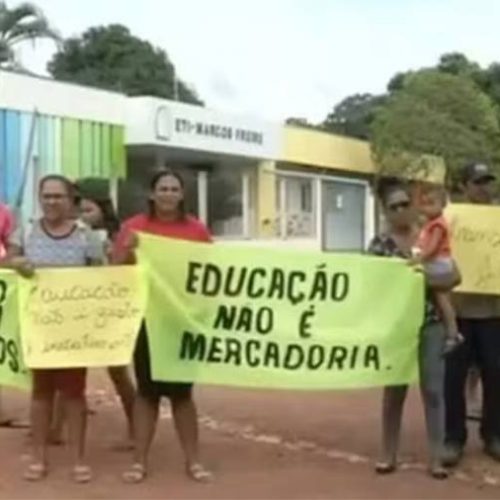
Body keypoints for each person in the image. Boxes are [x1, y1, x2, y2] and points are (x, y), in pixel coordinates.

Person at [113, 169, 213, 484]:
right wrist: (129, 250)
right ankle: (139, 461)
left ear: (182, 195)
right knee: (147, 392)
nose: (168, 194)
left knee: (183, 394)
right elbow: (116, 271)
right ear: (152, 194)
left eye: (173, 188)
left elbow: (212, 273)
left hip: (182, 319)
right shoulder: (133, 227)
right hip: (145, 319)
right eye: (162, 188)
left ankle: (194, 461)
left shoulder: (197, 230)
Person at [6, 175, 104, 482]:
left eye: (58, 196)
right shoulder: (27, 232)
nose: (52, 202)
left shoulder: (86, 236)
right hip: (38, 326)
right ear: (39, 198)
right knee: (41, 394)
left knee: (74, 395)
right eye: (46, 196)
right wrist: (16, 263)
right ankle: (39, 457)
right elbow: (6, 260)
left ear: (70, 199)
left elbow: (101, 275)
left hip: (74, 328)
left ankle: (78, 459)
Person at [369, 178, 460, 479]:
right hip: (396, 328)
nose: (400, 210)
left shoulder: (430, 234)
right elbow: (372, 289)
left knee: (433, 391)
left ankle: (436, 458)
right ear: (385, 210)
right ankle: (387, 453)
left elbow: (453, 277)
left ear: (412, 205)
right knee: (394, 392)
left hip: (430, 323)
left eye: (405, 203)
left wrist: (419, 278)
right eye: (393, 206)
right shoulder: (378, 246)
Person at [49, 180, 136, 448]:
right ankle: (55, 428)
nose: (81, 214)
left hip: (106, 313)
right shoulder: (70, 234)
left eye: (87, 209)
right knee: (70, 373)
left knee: (118, 372)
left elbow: (125, 271)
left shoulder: (118, 236)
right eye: (78, 208)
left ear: (102, 208)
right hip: (76, 313)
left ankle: (136, 427)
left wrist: (115, 256)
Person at [443, 162, 500, 466]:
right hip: (459, 311)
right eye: (478, 182)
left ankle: (493, 434)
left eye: (488, 182)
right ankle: (453, 437)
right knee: (453, 377)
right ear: (464, 187)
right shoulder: (452, 219)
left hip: (494, 313)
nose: (485, 188)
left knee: (495, 374)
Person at [411, 184, 463, 354]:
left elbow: (433, 248)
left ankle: (453, 334)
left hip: (438, 263)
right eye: (425, 203)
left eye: (432, 203)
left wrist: (419, 259)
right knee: (441, 300)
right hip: (436, 261)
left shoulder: (438, 225)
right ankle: (452, 332)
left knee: (442, 299)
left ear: (442, 205)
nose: (427, 207)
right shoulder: (429, 223)